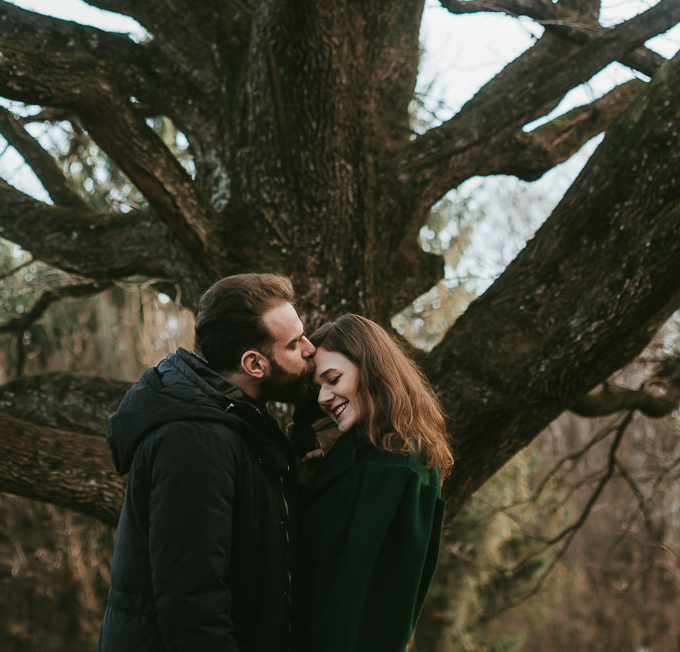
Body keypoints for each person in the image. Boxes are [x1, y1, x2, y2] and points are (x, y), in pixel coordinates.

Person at [97, 272, 317, 652]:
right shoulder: (196, 440)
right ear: (254, 364)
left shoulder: (239, 426)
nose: (310, 348)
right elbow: (192, 601)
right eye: (295, 344)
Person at [295, 313, 451, 652]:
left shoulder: (397, 464)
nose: (323, 397)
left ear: (372, 370)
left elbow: (355, 597)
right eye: (318, 387)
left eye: (333, 379)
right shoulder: (364, 453)